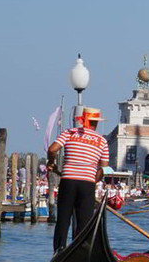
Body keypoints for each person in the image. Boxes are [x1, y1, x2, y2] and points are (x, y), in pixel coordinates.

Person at [46, 107, 109, 252]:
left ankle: (59, 250)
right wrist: (94, 180)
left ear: (82, 120)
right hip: (87, 184)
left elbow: (52, 149)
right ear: (96, 123)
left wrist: (51, 162)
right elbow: (104, 169)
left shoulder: (69, 133)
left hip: (68, 181)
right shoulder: (102, 141)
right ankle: (79, 252)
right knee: (84, 222)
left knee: (63, 219)